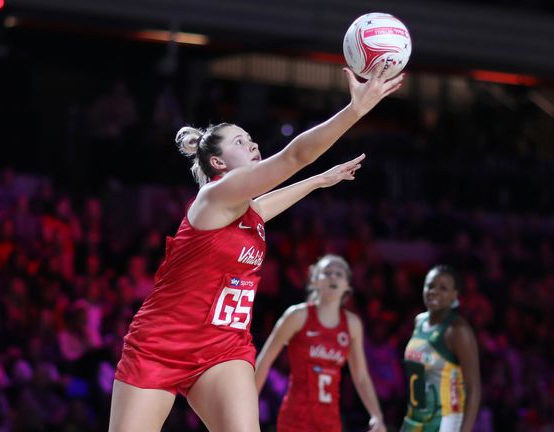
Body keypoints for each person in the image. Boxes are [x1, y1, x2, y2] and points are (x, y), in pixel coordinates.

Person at [109, 62, 404, 432]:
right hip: (160, 344)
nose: (252, 145)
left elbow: (265, 206)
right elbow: (295, 156)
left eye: (251, 139)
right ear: (217, 163)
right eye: (239, 142)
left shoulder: (246, 210)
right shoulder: (216, 195)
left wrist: (317, 182)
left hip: (223, 348)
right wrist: (354, 110)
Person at [255, 255, 386, 431]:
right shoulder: (297, 316)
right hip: (295, 417)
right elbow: (264, 361)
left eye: (339, 273)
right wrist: (247, 405)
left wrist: (377, 415)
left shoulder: (352, 324)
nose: (333, 276)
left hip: (330, 420)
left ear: (347, 285)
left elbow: (361, 376)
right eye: (327, 272)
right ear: (315, 280)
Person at [401, 265, 480, 432]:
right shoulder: (419, 322)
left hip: (445, 420)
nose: (434, 291)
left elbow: (474, 388)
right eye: (430, 286)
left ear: (455, 295)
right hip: (414, 418)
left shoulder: (458, 330)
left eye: (443, 288)